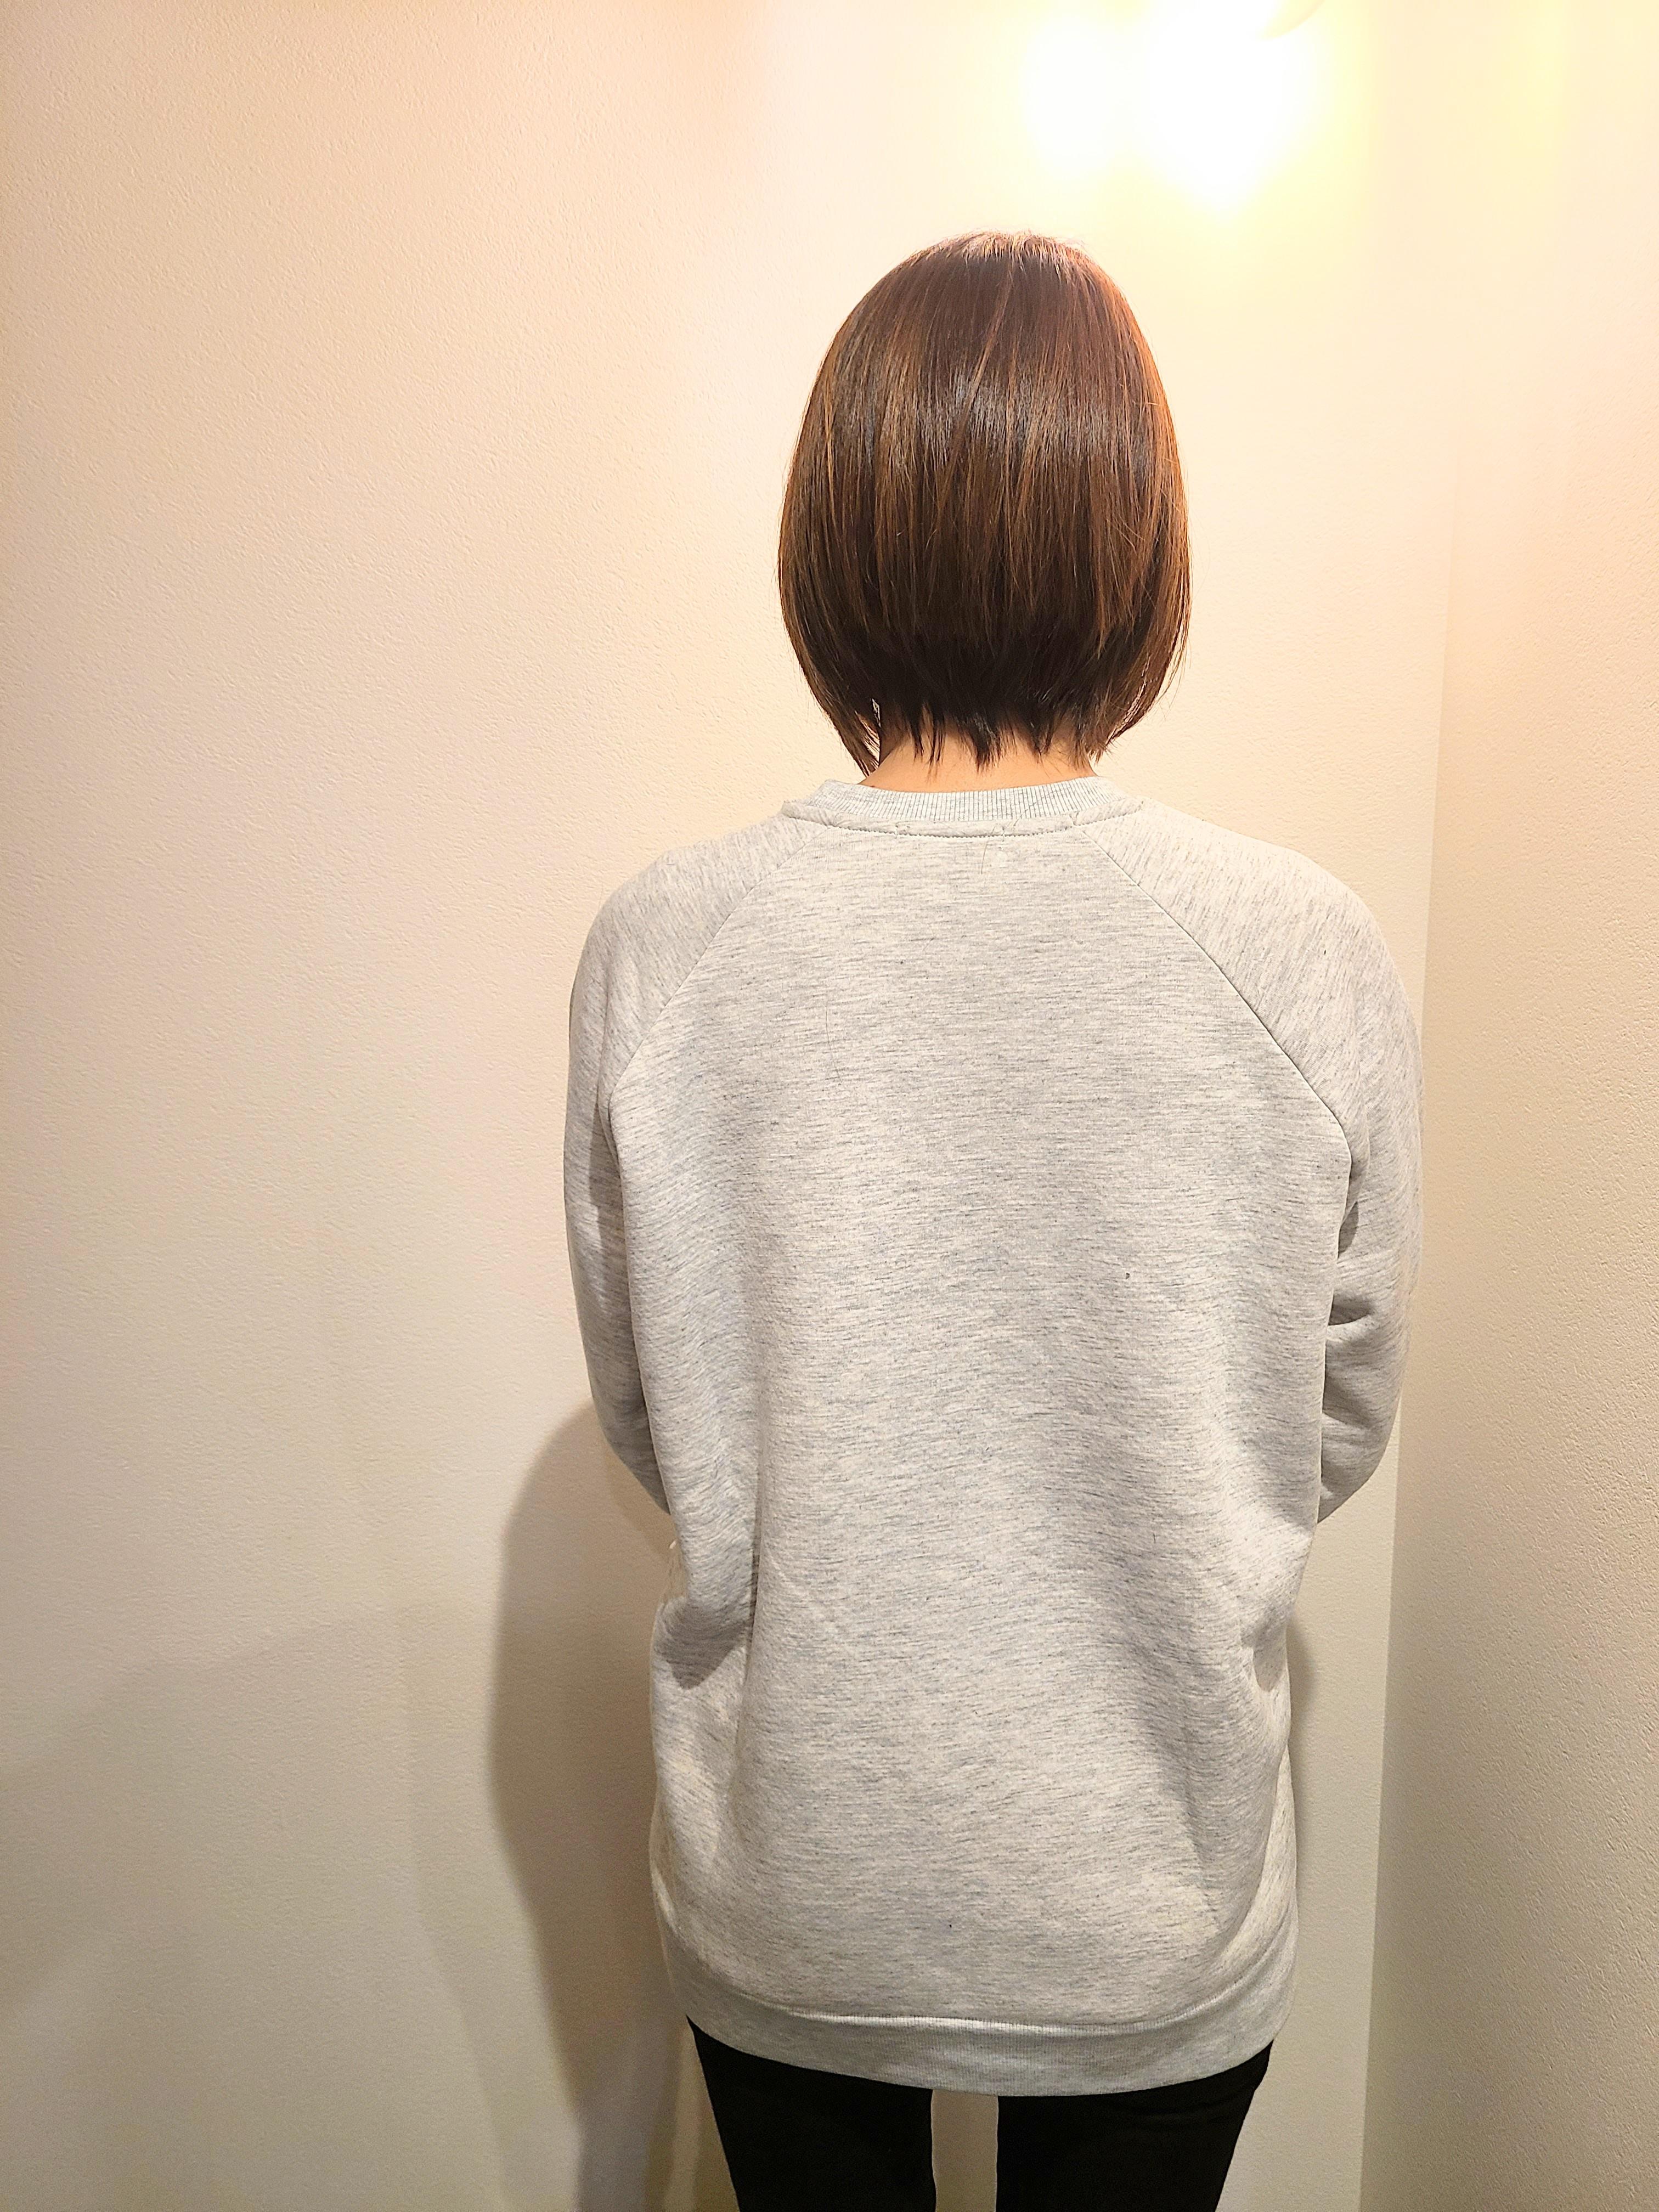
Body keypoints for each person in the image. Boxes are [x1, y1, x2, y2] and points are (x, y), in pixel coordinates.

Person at [563, 229, 1423, 2209]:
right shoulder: (1298, 949)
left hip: (798, 1877)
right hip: (1151, 1897)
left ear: (831, 536)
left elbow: (650, 1410)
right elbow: (1336, 1411)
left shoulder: (665, 948)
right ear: (1140, 545)